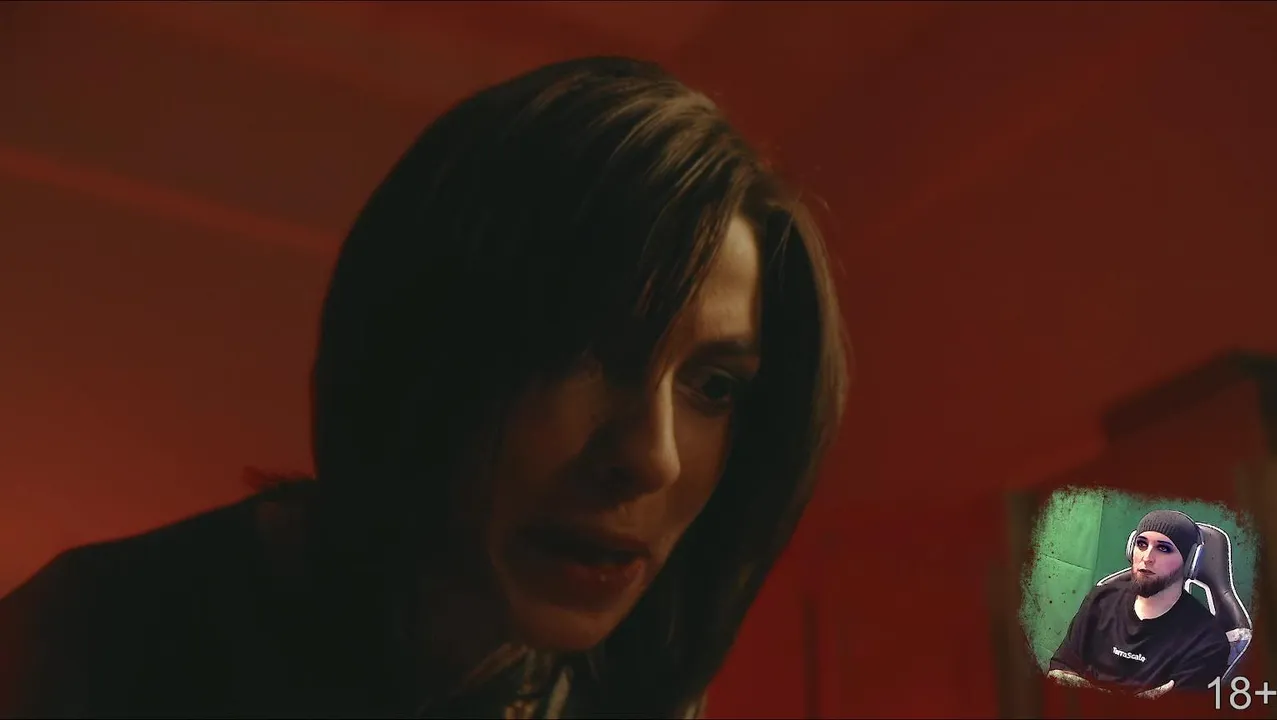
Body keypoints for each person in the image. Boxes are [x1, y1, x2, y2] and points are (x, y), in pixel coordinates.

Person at [0, 56, 848, 718]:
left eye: (713, 386)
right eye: (581, 351)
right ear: (427, 342)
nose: (653, 457)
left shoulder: (632, 689)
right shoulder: (89, 642)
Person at [1048, 510, 1231, 697]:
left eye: (1163, 548)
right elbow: (1060, 671)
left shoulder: (1206, 642)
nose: (1147, 557)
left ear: (1190, 561)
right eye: (1141, 544)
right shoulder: (1101, 600)